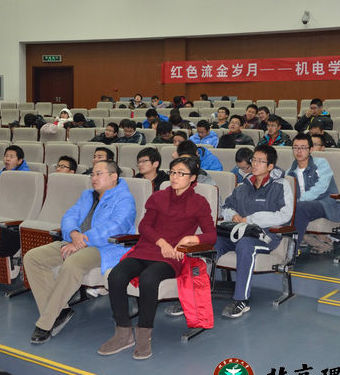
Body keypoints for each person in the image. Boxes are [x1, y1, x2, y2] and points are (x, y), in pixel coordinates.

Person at [99, 156, 215, 359]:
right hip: (147, 249)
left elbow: (211, 235)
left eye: (181, 173)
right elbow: (145, 226)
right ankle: (123, 333)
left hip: (171, 257)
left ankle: (144, 335)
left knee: (149, 278)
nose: (175, 177)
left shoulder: (199, 203)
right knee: (116, 276)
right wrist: (161, 242)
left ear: (193, 178)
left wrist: (191, 238)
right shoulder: (158, 197)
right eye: (173, 172)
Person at [25, 160, 137, 345]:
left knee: (73, 262)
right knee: (33, 258)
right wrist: (73, 233)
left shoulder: (124, 199)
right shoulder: (87, 195)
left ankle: (46, 322)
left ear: (113, 176)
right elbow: (69, 216)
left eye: (99, 174)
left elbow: (116, 227)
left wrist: (82, 240)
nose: (94, 178)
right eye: (92, 174)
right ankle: (61, 311)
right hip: (75, 241)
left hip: (106, 248)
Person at [216, 145, 293, 318]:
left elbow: (285, 215)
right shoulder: (244, 184)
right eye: (253, 160)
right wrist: (232, 215)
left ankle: (241, 299)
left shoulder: (281, 185)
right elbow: (225, 206)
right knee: (212, 241)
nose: (255, 164)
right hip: (238, 232)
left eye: (260, 161)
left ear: (270, 166)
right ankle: (196, 293)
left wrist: (250, 219)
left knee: (245, 246)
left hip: (265, 237)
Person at [287, 133, 340, 252]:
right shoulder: (291, 169)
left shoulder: (321, 163)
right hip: (304, 205)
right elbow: (286, 187)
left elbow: (321, 187)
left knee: (299, 208)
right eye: (295, 147)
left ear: (311, 149)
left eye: (303, 147)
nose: (299, 151)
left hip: (325, 204)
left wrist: (297, 201)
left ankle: (290, 252)